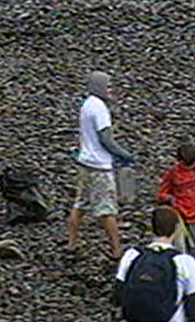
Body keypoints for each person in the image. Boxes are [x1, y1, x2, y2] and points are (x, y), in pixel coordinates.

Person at [68, 71, 133, 259]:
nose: (110, 90)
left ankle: (71, 243)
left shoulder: (87, 104)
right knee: (107, 209)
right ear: (100, 87)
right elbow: (106, 139)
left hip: (85, 161)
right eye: (108, 86)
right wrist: (124, 155)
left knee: (80, 204)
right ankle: (116, 249)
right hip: (100, 166)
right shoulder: (100, 108)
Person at [157, 142, 195, 254]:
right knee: (179, 244)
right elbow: (162, 193)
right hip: (178, 212)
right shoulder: (173, 173)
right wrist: (169, 199)